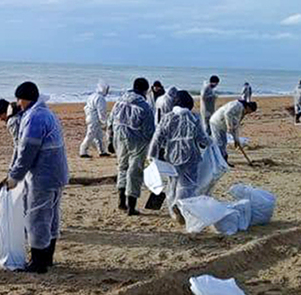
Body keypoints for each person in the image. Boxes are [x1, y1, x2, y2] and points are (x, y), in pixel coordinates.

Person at [5, 81, 69, 274]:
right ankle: (47, 258)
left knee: (37, 217)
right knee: (51, 216)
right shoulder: (44, 113)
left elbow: (27, 151)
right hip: (56, 173)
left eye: (19, 99)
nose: (18, 103)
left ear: (25, 99)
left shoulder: (35, 117)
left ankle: (38, 263)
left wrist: (15, 176)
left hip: (44, 175)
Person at [147, 90, 209, 222]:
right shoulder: (194, 117)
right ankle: (180, 205)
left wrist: (151, 156)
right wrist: (210, 143)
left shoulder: (167, 117)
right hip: (190, 155)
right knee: (188, 184)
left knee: (173, 183)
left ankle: (173, 210)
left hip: (171, 155)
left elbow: (157, 138)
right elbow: (202, 138)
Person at [109, 78, 155, 216]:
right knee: (135, 172)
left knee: (122, 167)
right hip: (137, 141)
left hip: (119, 137)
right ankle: (131, 207)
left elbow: (110, 121)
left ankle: (121, 202)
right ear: (145, 90)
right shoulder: (144, 107)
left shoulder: (119, 101)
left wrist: (110, 140)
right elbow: (149, 131)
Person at [79, 82, 110, 159]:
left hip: (89, 117)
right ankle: (83, 150)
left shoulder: (92, 96)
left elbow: (86, 107)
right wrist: (104, 122)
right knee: (90, 135)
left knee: (98, 136)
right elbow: (101, 111)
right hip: (94, 119)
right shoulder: (100, 98)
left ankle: (102, 151)